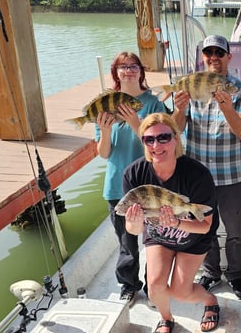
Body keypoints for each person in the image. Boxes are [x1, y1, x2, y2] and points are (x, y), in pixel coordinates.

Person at [171, 35, 241, 300]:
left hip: (232, 176)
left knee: (235, 229)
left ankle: (236, 274)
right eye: (209, 53)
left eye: (220, 52)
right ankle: (211, 272)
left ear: (229, 57)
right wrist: (178, 109)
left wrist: (226, 107)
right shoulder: (191, 86)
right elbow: (176, 129)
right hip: (198, 178)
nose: (214, 57)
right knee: (204, 227)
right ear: (202, 58)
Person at [123, 113, 220, 333]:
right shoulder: (134, 174)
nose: (156, 145)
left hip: (194, 238)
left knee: (180, 292)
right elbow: (133, 229)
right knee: (154, 286)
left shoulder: (197, 174)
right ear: (143, 143)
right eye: (149, 139)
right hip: (158, 236)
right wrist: (135, 223)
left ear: (176, 139)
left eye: (163, 137)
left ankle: (209, 300)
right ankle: (166, 318)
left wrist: (176, 223)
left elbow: (204, 225)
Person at [96, 52, 166, 302]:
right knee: (127, 241)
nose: (128, 71)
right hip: (117, 186)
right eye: (122, 67)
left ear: (141, 71)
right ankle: (128, 284)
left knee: (155, 240)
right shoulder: (106, 104)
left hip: (150, 185)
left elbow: (159, 146)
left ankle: (153, 285)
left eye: (133, 66)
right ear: (115, 72)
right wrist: (104, 131)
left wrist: (137, 123)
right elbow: (104, 153)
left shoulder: (153, 103)